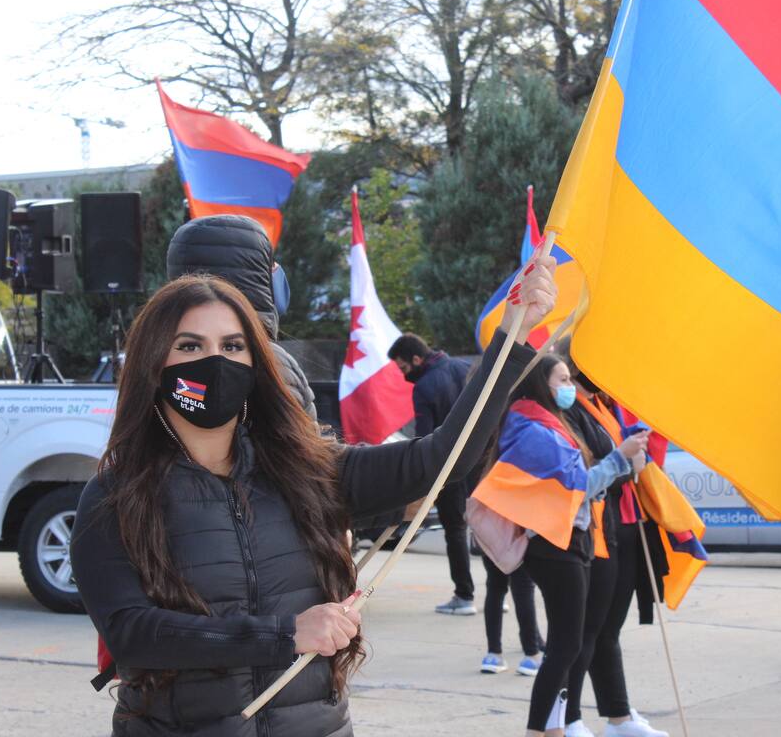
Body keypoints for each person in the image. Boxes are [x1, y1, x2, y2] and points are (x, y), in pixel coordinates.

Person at [69, 258, 556, 737]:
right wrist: (284, 635)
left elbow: (443, 458)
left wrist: (510, 340)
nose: (215, 361)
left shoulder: (309, 470)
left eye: (233, 346)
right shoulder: (115, 495)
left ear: (255, 364)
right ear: (155, 364)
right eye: (191, 345)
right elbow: (132, 635)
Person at [475, 354, 649, 737]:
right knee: (566, 646)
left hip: (572, 539)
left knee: (567, 645)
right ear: (542, 383)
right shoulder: (532, 427)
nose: (570, 387)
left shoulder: (549, 422)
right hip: (554, 543)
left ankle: (553, 727)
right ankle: (539, 729)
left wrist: (625, 460)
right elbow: (577, 486)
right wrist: (621, 458)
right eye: (563, 379)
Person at [560, 356, 669, 737]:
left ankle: (618, 716)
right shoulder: (571, 409)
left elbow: (625, 460)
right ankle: (568, 718)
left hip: (624, 523)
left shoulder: (605, 405)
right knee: (584, 632)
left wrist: (636, 456)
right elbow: (587, 470)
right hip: (595, 531)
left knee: (608, 629)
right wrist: (624, 457)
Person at [166, 214, 316, 421]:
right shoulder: (269, 360)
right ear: (259, 278)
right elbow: (301, 447)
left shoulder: (159, 357)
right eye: (269, 262)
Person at [387, 332, 477, 615]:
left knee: (455, 531)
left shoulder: (425, 386)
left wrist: (421, 478)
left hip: (449, 469)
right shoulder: (464, 369)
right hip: (479, 462)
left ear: (416, 359)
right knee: (486, 529)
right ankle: (499, 595)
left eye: (403, 368)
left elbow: (427, 439)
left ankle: (464, 595)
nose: (403, 375)